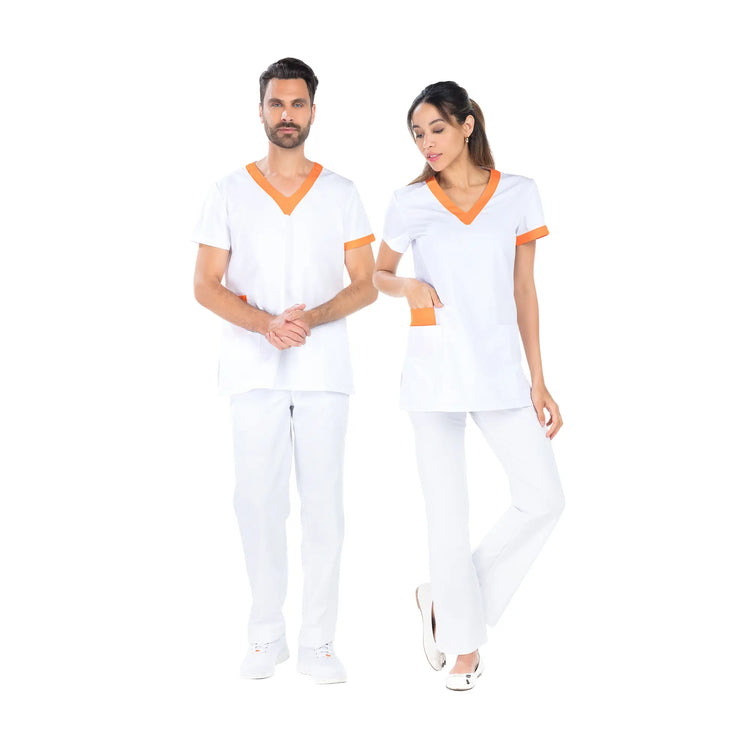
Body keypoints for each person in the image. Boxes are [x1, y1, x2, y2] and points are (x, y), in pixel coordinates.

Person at [373, 81, 565, 691]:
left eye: (436, 129)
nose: (427, 143)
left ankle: (447, 601)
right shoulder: (409, 202)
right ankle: (463, 646)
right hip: (433, 373)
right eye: (417, 134)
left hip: (500, 372)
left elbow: (525, 290)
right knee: (447, 516)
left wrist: (539, 380)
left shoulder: (518, 193)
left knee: (544, 499)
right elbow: (379, 273)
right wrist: (407, 287)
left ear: (467, 125)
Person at [192, 57, 377, 685]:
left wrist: (310, 319)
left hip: (323, 370)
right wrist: (265, 325)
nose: (287, 115)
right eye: (277, 103)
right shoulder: (228, 191)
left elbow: (365, 284)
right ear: (261, 110)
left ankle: (318, 642)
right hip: (252, 370)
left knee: (324, 507)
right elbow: (205, 284)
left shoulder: (342, 193)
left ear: (314, 112)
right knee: (256, 503)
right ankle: (265, 635)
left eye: (298, 104)